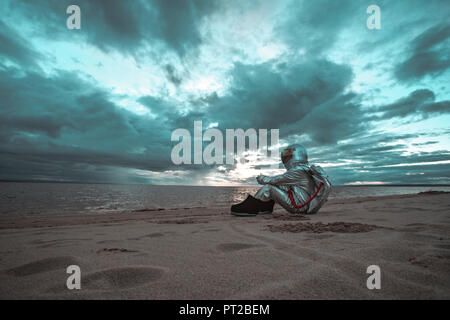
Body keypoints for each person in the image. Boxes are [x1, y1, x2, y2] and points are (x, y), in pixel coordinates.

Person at [231, 144, 331, 216]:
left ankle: (250, 208)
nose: (286, 158)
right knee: (279, 186)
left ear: (296, 155)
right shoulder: (305, 169)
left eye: (288, 155)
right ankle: (265, 208)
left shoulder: (297, 171)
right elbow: (282, 182)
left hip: (299, 207)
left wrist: (261, 178)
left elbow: (275, 180)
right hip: (306, 204)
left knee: (269, 188)